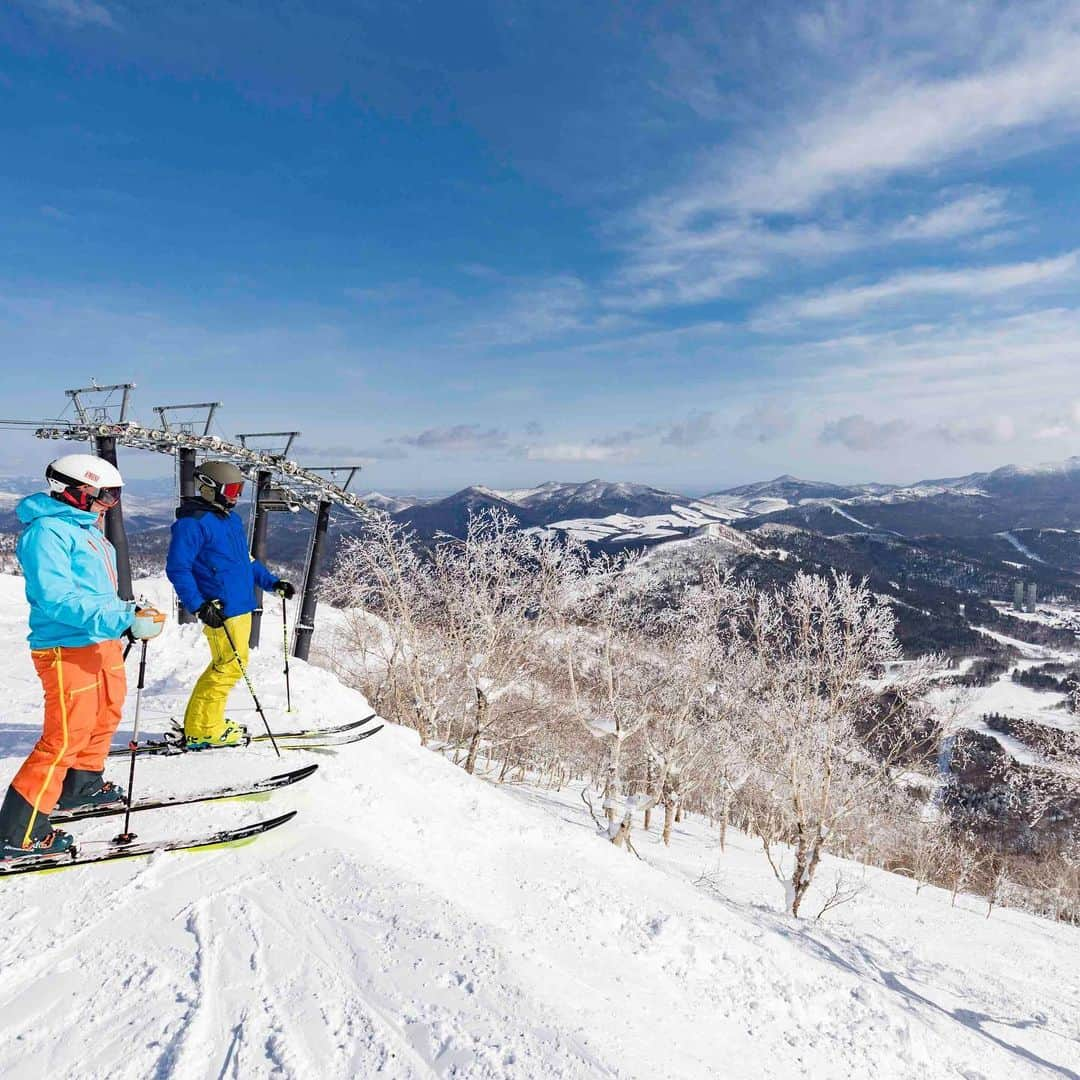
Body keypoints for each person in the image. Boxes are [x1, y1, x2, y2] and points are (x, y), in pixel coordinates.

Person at [0, 454, 165, 859]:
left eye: (115, 497)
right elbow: (56, 599)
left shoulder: (86, 529)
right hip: (66, 647)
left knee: (107, 710)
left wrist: (129, 614)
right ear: (75, 491)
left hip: (99, 640)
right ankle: (17, 831)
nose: (109, 504)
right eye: (104, 495)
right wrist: (122, 617)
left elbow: (96, 592)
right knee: (64, 736)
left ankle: (81, 786)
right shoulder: (47, 534)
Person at [166, 460, 294, 749]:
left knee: (227, 666)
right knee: (228, 668)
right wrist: (199, 605)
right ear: (210, 488)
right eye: (231, 488)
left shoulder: (229, 520)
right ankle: (204, 730)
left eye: (240, 488)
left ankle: (201, 724)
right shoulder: (192, 524)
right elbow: (178, 569)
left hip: (241, 605)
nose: (236, 495)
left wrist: (272, 583)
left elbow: (245, 562)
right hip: (220, 609)